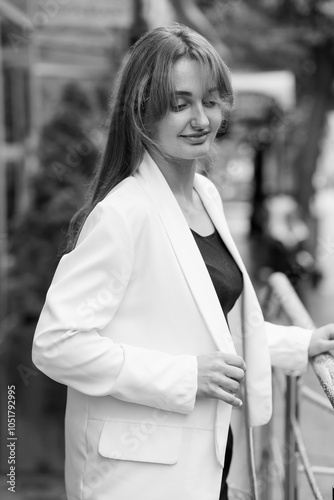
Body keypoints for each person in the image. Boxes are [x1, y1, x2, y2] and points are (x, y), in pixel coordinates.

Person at [32, 24, 334, 500]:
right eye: (180, 103)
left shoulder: (204, 195)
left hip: (205, 462)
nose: (201, 119)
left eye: (210, 102)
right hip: (135, 477)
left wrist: (303, 344)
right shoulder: (123, 213)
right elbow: (54, 345)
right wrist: (186, 376)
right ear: (142, 111)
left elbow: (213, 325)